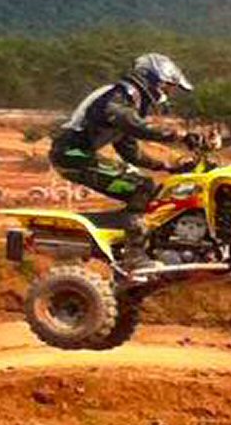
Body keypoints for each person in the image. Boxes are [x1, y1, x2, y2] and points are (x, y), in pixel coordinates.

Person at [49, 53, 194, 268]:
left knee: (151, 191)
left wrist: (167, 166)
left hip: (77, 155)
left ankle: (128, 238)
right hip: (72, 155)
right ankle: (134, 255)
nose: (166, 94)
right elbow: (130, 122)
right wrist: (179, 135)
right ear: (153, 79)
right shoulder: (118, 96)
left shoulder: (127, 103)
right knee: (142, 187)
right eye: (167, 87)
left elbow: (130, 152)